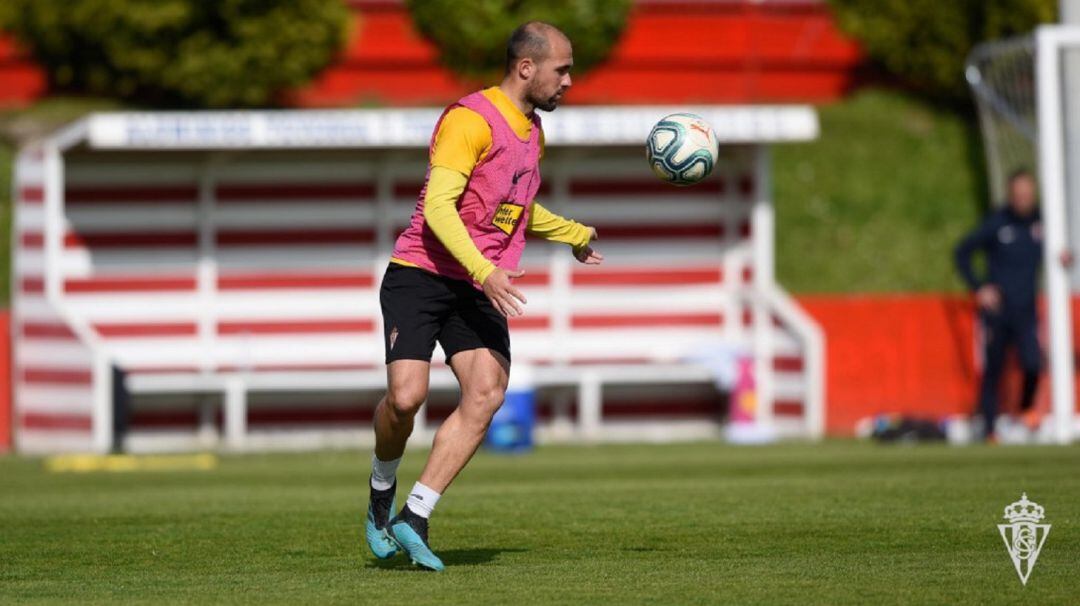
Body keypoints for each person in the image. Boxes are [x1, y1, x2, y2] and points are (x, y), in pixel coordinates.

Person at [364, 22, 602, 571]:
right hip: (421, 273)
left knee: (487, 392)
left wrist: (573, 234)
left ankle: (414, 515)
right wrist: (486, 269)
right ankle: (381, 492)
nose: (570, 80)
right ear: (527, 68)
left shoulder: (533, 131)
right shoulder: (470, 120)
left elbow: (515, 209)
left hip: (475, 282)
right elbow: (440, 209)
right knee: (406, 399)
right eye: (561, 69)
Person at [954, 169, 1060, 441]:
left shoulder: (1045, 223)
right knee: (994, 371)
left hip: (1026, 311)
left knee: (1033, 363)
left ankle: (1026, 411)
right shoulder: (997, 223)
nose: (1023, 198)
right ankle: (989, 431)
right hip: (998, 312)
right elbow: (962, 252)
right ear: (1011, 195)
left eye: (1027, 193)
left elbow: (1060, 250)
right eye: (1018, 194)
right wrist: (980, 288)